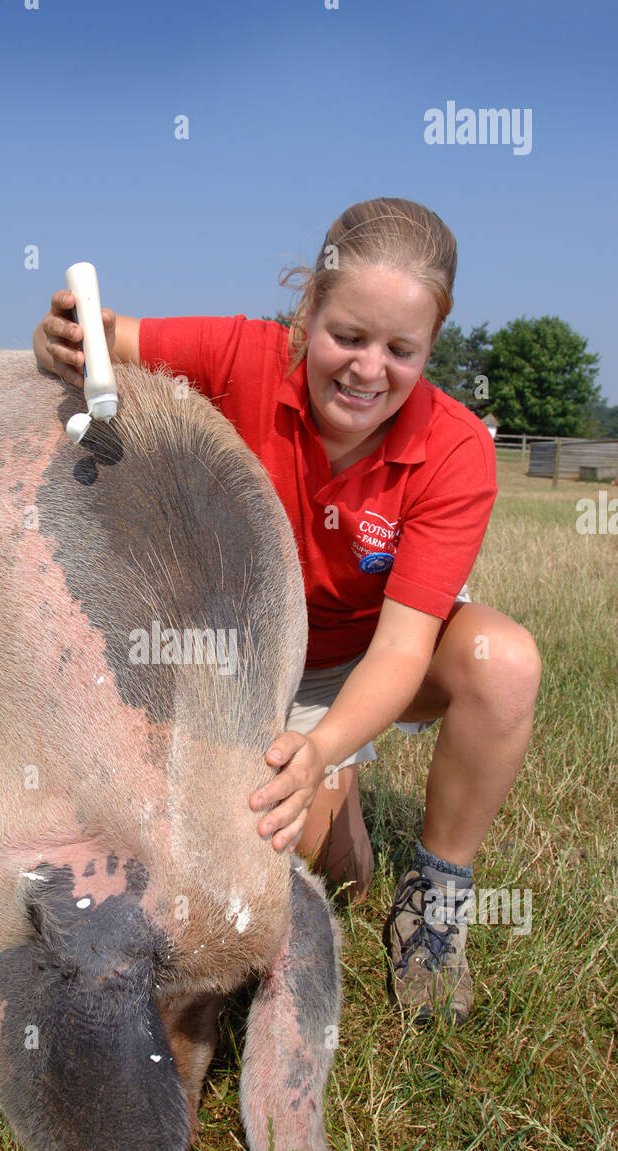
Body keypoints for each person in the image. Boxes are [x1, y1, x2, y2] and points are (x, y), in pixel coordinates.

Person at [33, 197, 541, 1027]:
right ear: (307, 313)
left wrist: (319, 745)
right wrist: (55, 340)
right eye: (348, 335)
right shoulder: (241, 354)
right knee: (321, 869)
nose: (368, 369)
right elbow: (102, 332)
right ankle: (331, 813)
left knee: (503, 660)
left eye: (400, 349)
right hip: (241, 653)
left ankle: (435, 903)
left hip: (363, 656)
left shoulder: (454, 450)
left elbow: (404, 648)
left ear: (430, 349)